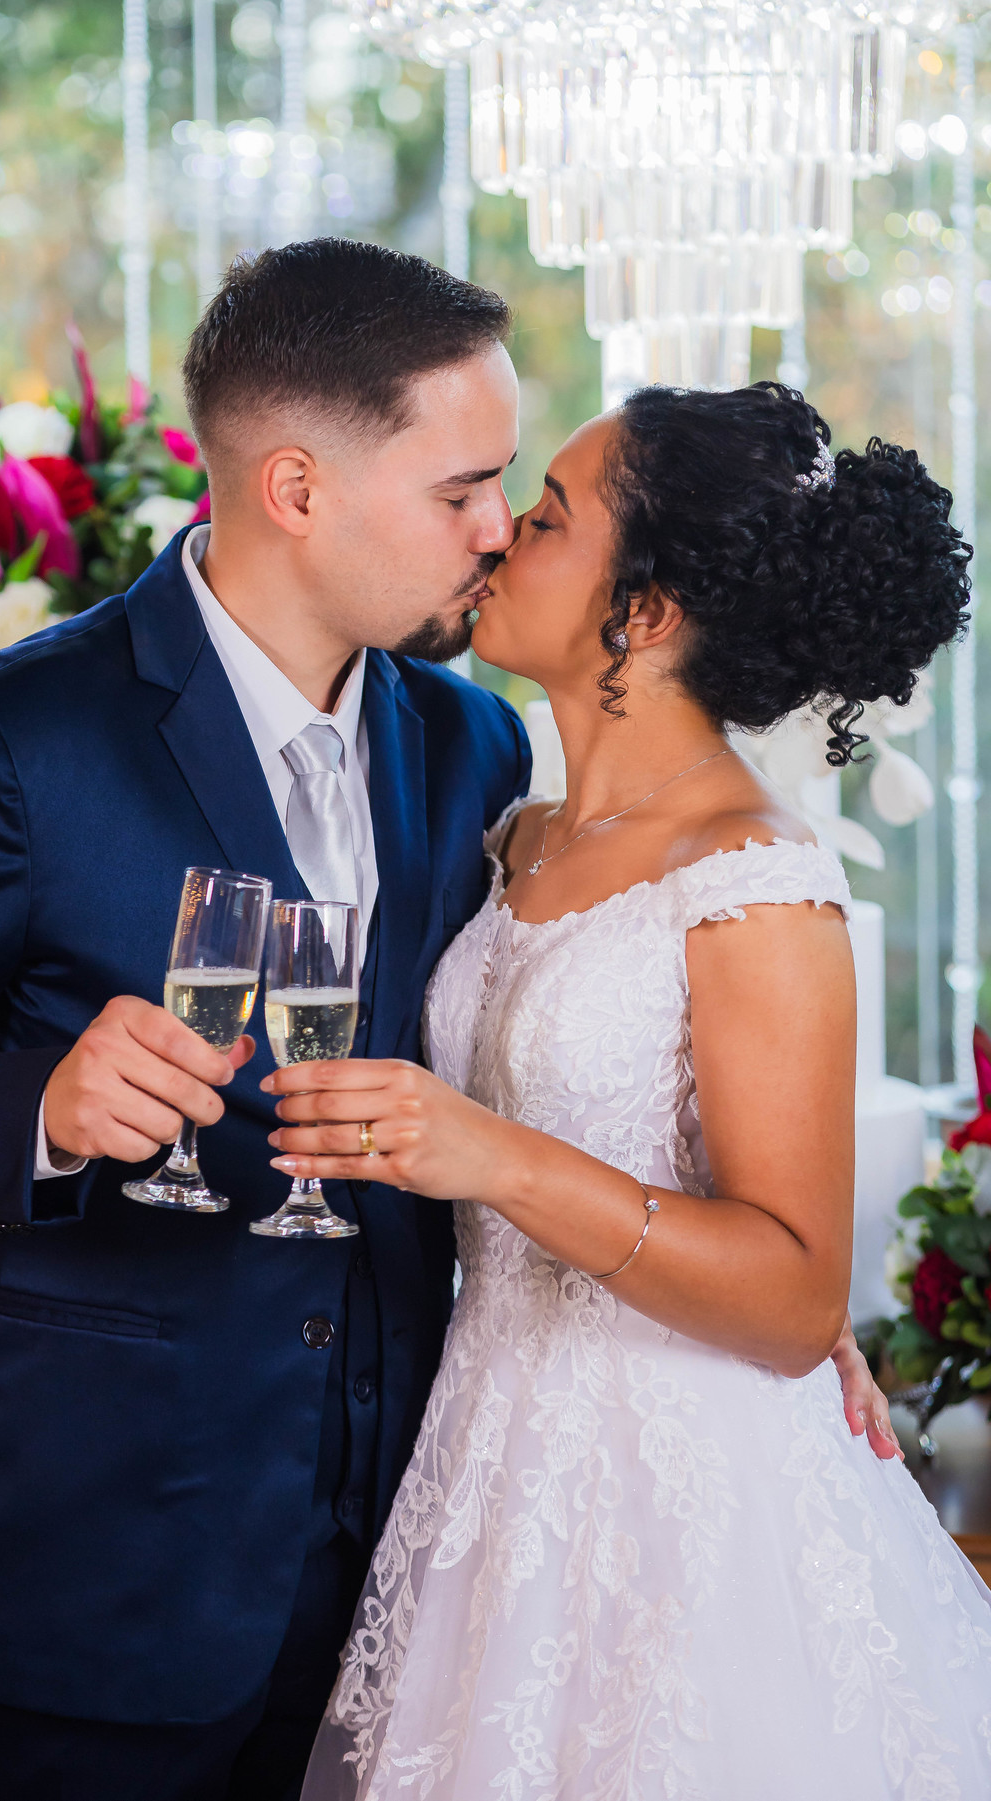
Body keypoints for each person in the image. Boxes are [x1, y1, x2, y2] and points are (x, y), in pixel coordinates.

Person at [0, 242, 888, 1799]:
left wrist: (769, 1268)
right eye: (462, 490)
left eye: (513, 489)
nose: (496, 529)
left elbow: (563, 1049)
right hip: (89, 1583)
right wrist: (41, 1106)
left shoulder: (475, 752)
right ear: (297, 488)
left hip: (422, 1574)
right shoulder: (13, 739)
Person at [270, 384, 991, 1799]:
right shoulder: (514, 834)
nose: (495, 537)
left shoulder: (754, 877)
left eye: (542, 518)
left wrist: (497, 1158)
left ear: (647, 610)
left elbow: (793, 1302)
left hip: (685, 1502)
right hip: (489, 1459)